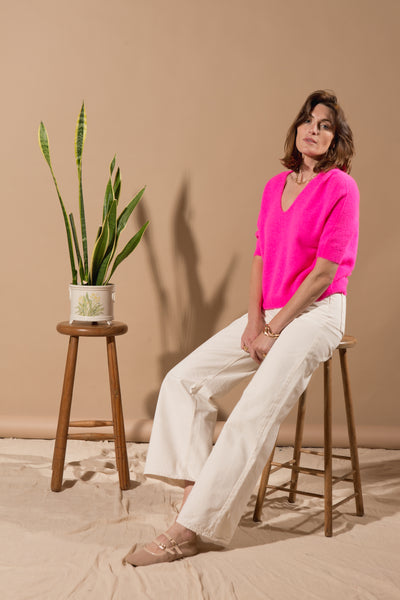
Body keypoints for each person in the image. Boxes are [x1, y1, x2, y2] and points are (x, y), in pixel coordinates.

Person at [125, 89, 359, 567]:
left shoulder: (341, 187)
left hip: (317, 312)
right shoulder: (275, 186)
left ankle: (187, 532)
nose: (314, 130)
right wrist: (255, 321)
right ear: (296, 129)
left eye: (326, 125)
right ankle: (196, 496)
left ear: (335, 139)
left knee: (253, 410)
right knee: (184, 381)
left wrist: (275, 329)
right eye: (308, 121)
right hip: (271, 309)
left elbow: (322, 273)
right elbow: (260, 256)